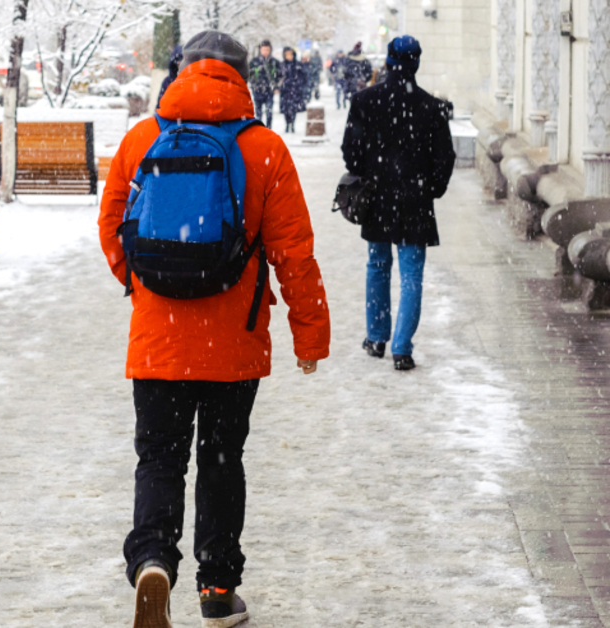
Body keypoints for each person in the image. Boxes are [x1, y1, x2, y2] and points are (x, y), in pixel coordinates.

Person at [99, 29, 330, 628]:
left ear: (183, 70)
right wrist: (311, 336)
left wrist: (145, 284)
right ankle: (218, 589)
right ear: (242, 76)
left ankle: (152, 559)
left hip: (158, 341)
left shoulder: (142, 139)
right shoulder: (265, 149)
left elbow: (110, 227)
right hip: (234, 341)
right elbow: (294, 254)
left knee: (159, 459)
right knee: (222, 460)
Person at [342, 35, 455, 371]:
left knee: (377, 265)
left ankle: (377, 337)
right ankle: (402, 348)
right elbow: (444, 158)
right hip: (415, 200)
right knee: (411, 276)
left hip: (377, 197)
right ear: (416, 63)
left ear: (389, 62)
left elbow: (351, 152)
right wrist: (430, 188)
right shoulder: (432, 107)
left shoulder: (365, 101)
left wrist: (368, 173)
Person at [246, 39, 279, 128]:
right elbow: (248, 74)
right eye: (264, 49)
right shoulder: (254, 61)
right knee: (258, 112)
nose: (265, 52)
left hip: (269, 90)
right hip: (257, 90)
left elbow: (280, 75)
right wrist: (253, 84)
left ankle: (268, 128)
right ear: (260, 50)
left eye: (267, 50)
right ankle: (260, 129)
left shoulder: (274, 62)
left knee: (269, 112)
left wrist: (276, 87)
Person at [278, 47, 305, 133]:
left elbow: (304, 77)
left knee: (294, 109)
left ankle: (292, 124)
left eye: (290, 54)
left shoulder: (298, 65)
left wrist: (299, 84)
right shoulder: (281, 65)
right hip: (285, 90)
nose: (289, 56)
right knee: (286, 109)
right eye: (287, 55)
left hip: (295, 90)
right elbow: (278, 76)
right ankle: (287, 124)